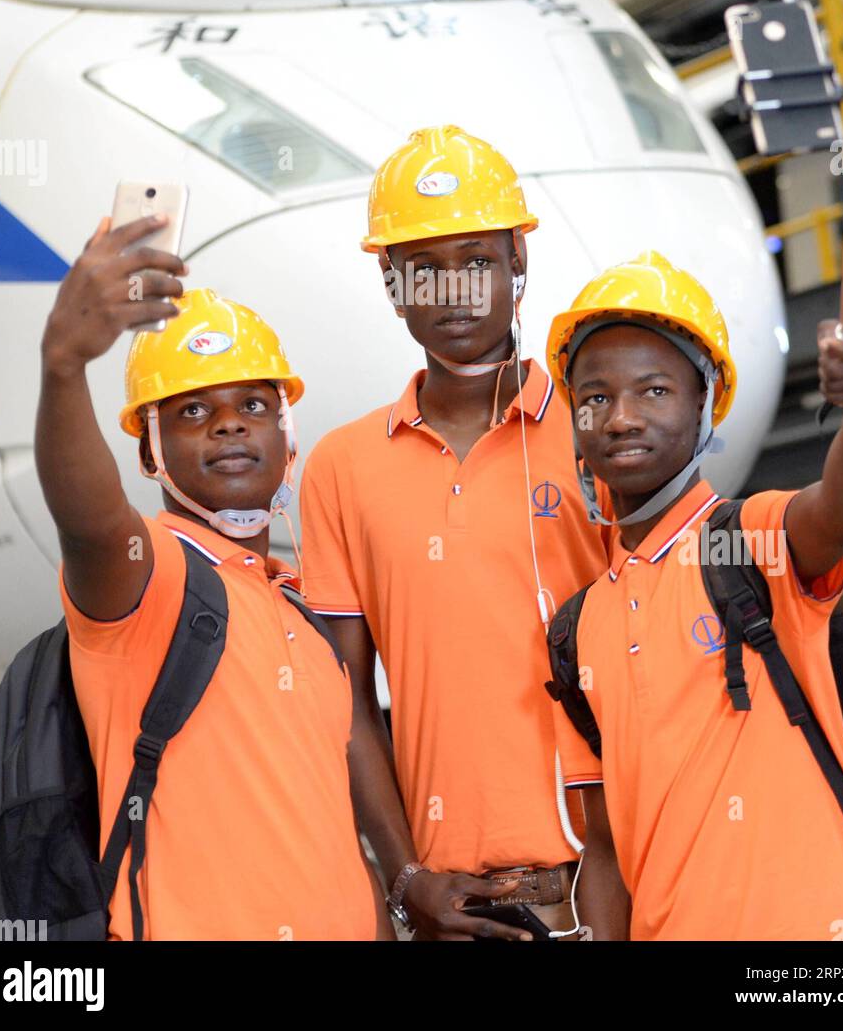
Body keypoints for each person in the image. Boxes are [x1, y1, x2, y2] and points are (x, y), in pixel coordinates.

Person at [35, 214, 391, 941]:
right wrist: (64, 365)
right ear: (149, 454)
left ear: (287, 437)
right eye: (194, 410)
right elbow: (89, 521)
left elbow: (327, 834)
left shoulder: (299, 609)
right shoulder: (147, 577)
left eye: (253, 406)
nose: (230, 425)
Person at [301, 125, 612, 941]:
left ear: (518, 260)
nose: (455, 294)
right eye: (423, 270)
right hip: (458, 912)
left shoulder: (598, 431)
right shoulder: (341, 468)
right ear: (390, 283)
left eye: (476, 261)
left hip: (619, 884)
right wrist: (407, 880)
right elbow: (348, 707)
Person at [545, 250, 843, 940]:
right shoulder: (575, 629)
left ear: (704, 403)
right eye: (594, 397)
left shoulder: (748, 540)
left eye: (653, 391)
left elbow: (842, 508)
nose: (619, 418)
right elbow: (608, 849)